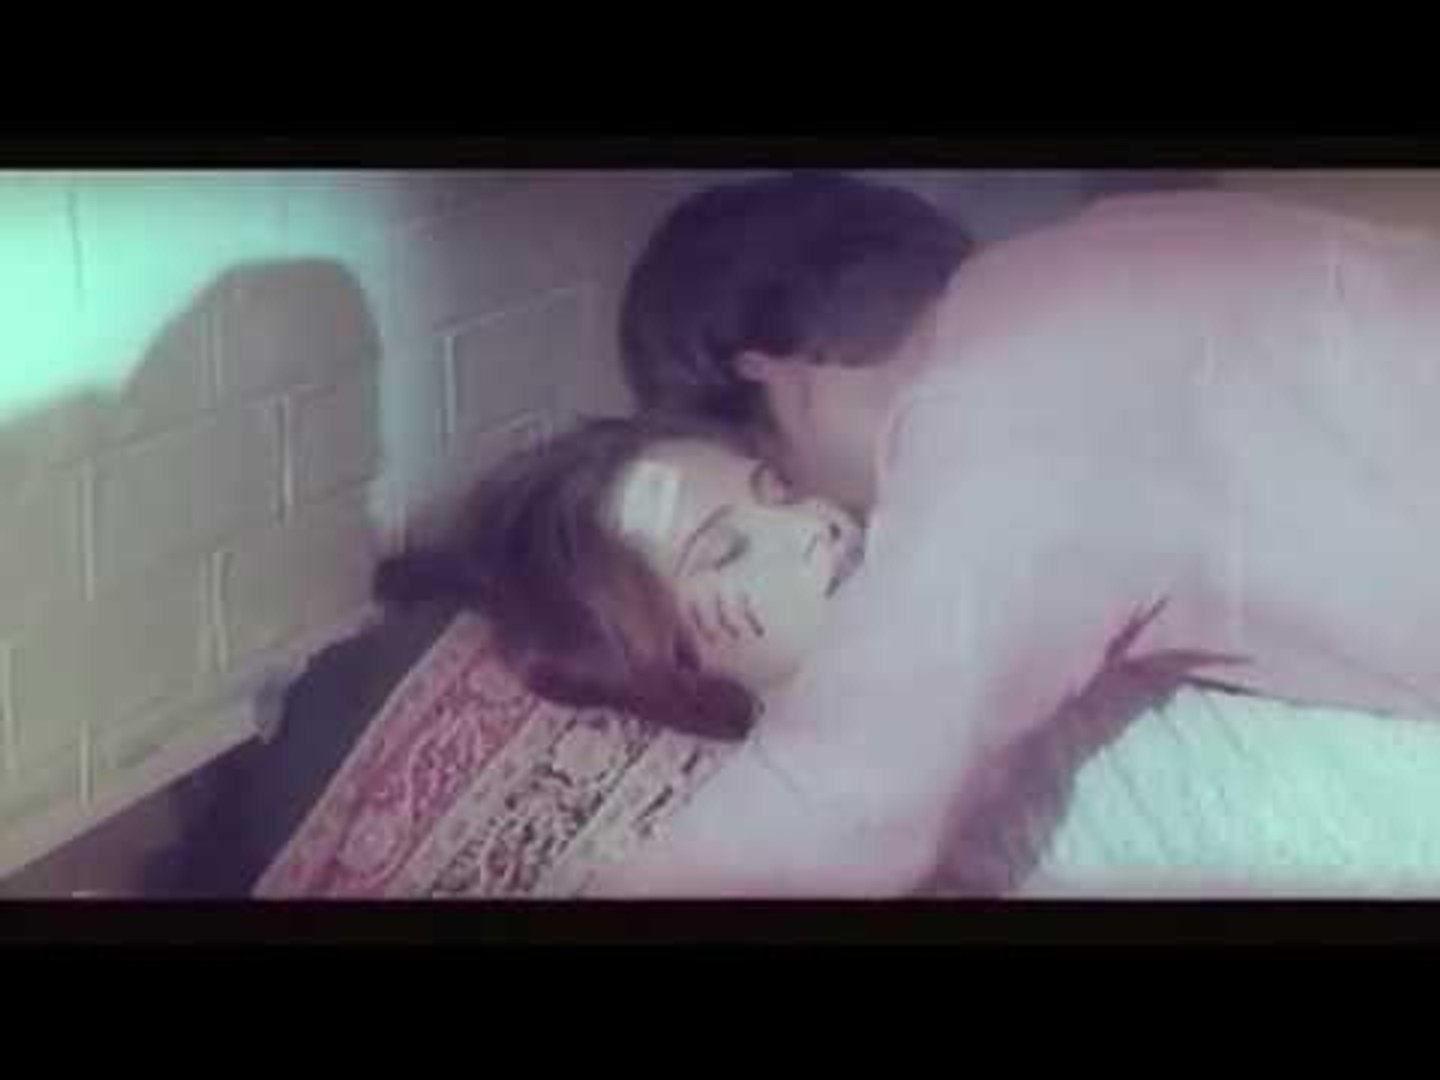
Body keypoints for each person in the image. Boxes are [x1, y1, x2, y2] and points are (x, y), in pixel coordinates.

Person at [591, 170, 1440, 896]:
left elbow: (845, 801)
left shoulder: (992, 424)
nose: (823, 520)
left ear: (763, 376)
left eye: (774, 481)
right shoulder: (1111, 239)